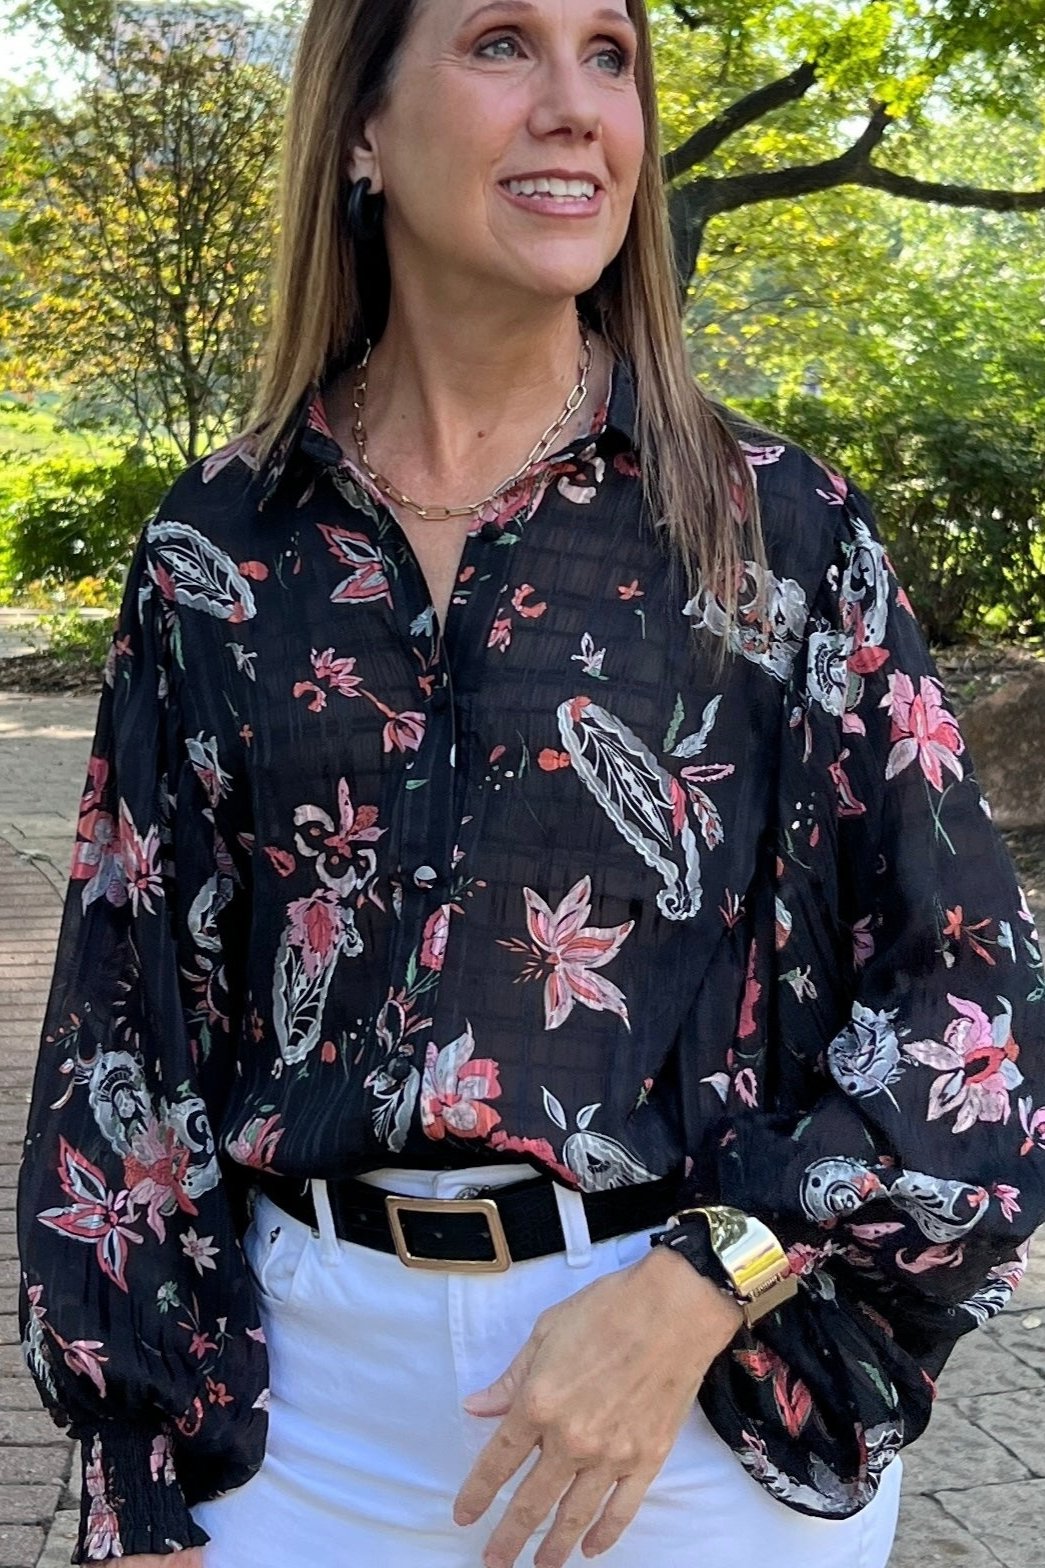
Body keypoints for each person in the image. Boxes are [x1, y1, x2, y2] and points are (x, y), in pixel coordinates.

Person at [16, 0, 1045, 1564]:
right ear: (359, 128)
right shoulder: (221, 545)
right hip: (295, 1420)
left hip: (682, 1416)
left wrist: (715, 1280)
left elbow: (969, 1002)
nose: (576, 106)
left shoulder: (770, 532)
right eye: (503, 43)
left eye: (609, 56)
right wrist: (137, 1462)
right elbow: (129, 1021)